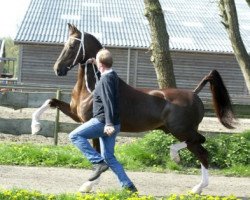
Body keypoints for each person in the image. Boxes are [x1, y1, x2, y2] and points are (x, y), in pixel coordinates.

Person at [69, 49, 137, 193]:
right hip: (113, 123)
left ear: (101, 63)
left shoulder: (106, 79)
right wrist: (97, 64)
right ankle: (129, 187)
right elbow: (105, 79)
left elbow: (108, 102)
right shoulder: (111, 75)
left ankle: (97, 163)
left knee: (74, 136)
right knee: (110, 157)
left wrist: (108, 123)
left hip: (102, 122)